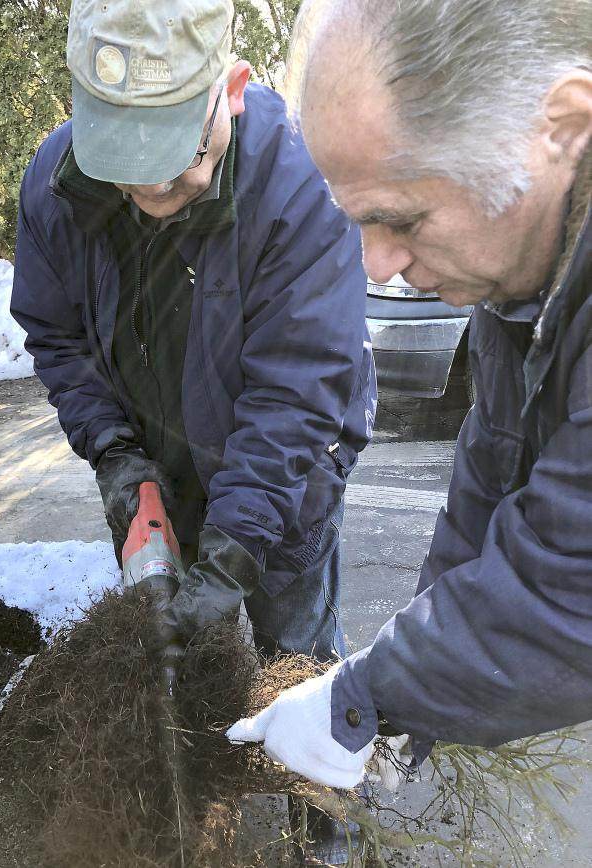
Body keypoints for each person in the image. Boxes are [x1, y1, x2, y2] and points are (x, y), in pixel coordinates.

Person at [11, 0, 376, 862]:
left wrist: (238, 550)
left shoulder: (301, 187)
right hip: (162, 477)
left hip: (286, 483)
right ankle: (186, 806)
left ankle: (323, 819)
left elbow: (295, 398)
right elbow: (58, 337)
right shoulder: (57, 187)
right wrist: (115, 455)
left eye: (177, 173)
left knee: (301, 655)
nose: (151, 200)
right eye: (127, 176)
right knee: (172, 652)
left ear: (233, 92)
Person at [228, 0, 592, 791]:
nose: (377, 265)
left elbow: (572, 594)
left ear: (563, 123)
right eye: (357, 222)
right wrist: (408, 704)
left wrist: (365, 695)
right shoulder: (516, 276)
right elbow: (490, 493)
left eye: (402, 218)